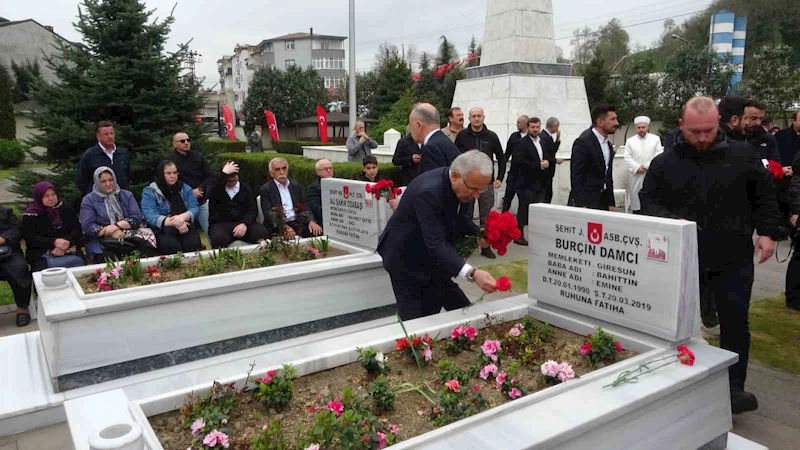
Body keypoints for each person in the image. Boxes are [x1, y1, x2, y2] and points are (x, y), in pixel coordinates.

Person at [639, 96, 785, 415]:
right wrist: (670, 219)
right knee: (677, 322)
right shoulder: (665, 162)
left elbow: (764, 197)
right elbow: (647, 200)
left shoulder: (742, 155)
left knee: (735, 321)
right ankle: (676, 382)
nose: (703, 138)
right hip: (684, 258)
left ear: (719, 122)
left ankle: (733, 388)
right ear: (681, 126)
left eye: (708, 130)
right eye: (695, 132)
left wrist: (768, 233)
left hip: (732, 255)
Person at [377, 150, 498, 320]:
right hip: (405, 258)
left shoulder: (459, 185)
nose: (476, 196)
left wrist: (480, 234)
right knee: (417, 318)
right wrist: (472, 274)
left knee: (444, 304)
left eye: (481, 190)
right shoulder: (429, 191)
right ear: (455, 176)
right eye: (473, 189)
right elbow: (436, 243)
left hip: (431, 257)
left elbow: (458, 218)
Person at [80, 167, 155, 262]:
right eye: (103, 181)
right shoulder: (89, 200)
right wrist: (111, 232)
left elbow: (136, 218)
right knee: (109, 259)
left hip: (128, 236)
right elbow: (88, 226)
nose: (108, 184)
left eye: (111, 180)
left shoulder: (126, 195)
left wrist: (116, 226)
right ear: (97, 182)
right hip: (100, 240)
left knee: (144, 253)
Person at [454, 108, 506, 245]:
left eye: (479, 116)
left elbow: (501, 158)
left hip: (486, 183)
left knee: (486, 217)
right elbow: (455, 158)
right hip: (467, 184)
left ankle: (485, 245)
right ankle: (466, 244)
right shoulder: (462, 136)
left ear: (484, 117)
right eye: (474, 116)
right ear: (469, 118)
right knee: (466, 215)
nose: (476, 118)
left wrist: (500, 178)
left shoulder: (492, 136)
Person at [141, 160, 202, 255]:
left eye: (175, 173)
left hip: (185, 224)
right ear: (161, 174)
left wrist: (183, 216)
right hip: (162, 229)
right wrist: (174, 222)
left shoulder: (184, 188)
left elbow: (194, 208)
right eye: (168, 173)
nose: (173, 176)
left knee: (192, 243)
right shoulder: (150, 192)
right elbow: (150, 215)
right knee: (172, 246)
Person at [206, 161, 271, 248]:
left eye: (234, 180)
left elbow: (252, 209)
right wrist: (223, 175)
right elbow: (209, 193)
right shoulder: (217, 188)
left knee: (261, 232)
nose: (232, 183)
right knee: (218, 238)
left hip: (242, 223)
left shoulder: (246, 188)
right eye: (229, 181)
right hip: (221, 224)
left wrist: (245, 223)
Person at [22, 181, 84, 272]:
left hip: (69, 248)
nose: (51, 198)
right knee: (43, 274)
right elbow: (31, 238)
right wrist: (54, 242)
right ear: (39, 197)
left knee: (81, 268)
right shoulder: (31, 215)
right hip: (41, 252)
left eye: (53, 194)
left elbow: (76, 230)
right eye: (46, 196)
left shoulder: (64, 208)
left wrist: (66, 244)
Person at [513, 117, 555, 246]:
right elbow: (518, 162)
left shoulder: (542, 141)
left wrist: (548, 161)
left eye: (537, 127)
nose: (535, 129)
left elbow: (547, 155)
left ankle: (535, 234)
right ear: (528, 127)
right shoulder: (521, 143)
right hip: (525, 183)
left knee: (537, 211)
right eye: (533, 127)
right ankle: (518, 235)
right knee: (524, 210)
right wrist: (538, 165)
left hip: (540, 183)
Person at [569, 104, 618, 210]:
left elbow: (607, 175)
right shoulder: (583, 142)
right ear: (600, 122)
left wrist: (611, 202)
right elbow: (577, 176)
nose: (616, 123)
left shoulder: (607, 145)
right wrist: (581, 205)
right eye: (612, 119)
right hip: (587, 203)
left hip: (603, 201)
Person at [165, 132, 215, 235]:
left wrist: (200, 189)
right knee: (185, 234)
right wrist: (189, 192)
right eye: (182, 141)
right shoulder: (169, 160)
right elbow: (169, 180)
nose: (186, 143)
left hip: (201, 200)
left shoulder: (198, 157)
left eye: (188, 140)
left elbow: (210, 176)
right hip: (181, 204)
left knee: (211, 231)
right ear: (174, 144)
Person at [260, 158, 322, 238]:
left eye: (284, 168)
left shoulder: (296, 186)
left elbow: (305, 205)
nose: (282, 172)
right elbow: (268, 214)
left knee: (318, 232)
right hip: (278, 225)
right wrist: (284, 227)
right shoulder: (266, 189)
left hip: (297, 221)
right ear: (271, 173)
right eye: (277, 169)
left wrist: (311, 221)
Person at [76, 121, 131, 194]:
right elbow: (81, 181)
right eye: (106, 134)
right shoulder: (89, 155)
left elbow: (128, 176)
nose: (110, 136)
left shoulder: (123, 154)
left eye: (111, 133)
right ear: (98, 136)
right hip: (98, 201)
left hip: (121, 199)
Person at [0, 205, 33, 327]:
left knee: (19, 268)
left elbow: (17, 229)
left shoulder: (5, 212)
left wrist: (3, 238)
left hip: (7, 253)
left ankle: (22, 308)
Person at [623, 116, 664, 214]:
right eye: (639, 127)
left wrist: (646, 166)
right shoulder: (630, 141)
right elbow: (627, 157)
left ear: (647, 127)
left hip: (651, 173)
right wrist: (637, 168)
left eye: (643, 127)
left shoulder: (655, 139)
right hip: (635, 175)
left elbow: (658, 154)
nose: (641, 129)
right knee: (636, 202)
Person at [415, 103, 460, 174]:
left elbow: (432, 181)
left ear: (418, 125)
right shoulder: (443, 140)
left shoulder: (430, 147)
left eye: (411, 126)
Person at [502, 115, 529, 213]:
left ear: (525, 124)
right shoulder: (514, 136)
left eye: (519, 122)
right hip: (513, 173)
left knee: (524, 201)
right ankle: (503, 219)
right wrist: (502, 168)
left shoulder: (532, 138)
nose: (516, 124)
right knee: (507, 197)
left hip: (526, 175)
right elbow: (507, 154)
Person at [776, 110, 800, 219]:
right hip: (784, 181)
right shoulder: (780, 136)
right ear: (794, 121)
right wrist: (780, 169)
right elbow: (774, 156)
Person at [741, 100, 781, 165]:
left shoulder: (768, 138)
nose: (758, 123)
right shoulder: (730, 138)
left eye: (761, 119)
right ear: (742, 117)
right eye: (753, 118)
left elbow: (776, 164)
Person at [306, 159, 334, 231]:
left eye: (330, 168)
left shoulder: (338, 184)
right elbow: (315, 208)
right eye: (325, 169)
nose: (329, 171)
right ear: (318, 172)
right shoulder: (313, 187)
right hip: (324, 220)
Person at [541, 117, 563, 203]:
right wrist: (555, 160)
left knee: (549, 194)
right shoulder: (543, 137)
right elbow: (545, 154)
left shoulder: (548, 137)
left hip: (549, 173)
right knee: (546, 195)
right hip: (545, 172)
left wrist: (557, 139)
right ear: (553, 126)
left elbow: (552, 151)